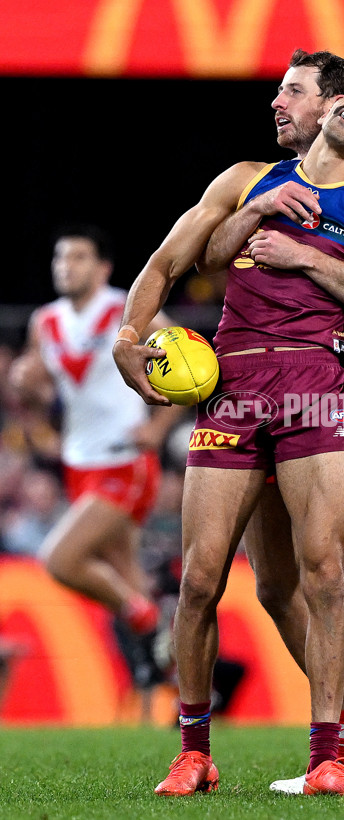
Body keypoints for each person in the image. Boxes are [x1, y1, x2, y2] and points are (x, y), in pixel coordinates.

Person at [113, 79, 344, 795]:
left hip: (317, 396)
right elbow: (179, 260)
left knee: (322, 578)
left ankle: (335, 752)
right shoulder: (249, 181)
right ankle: (193, 752)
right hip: (230, 393)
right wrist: (128, 336)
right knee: (200, 580)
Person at [201, 49, 344, 792]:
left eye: (293, 92)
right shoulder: (265, 183)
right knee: (272, 586)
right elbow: (199, 256)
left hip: (337, 383)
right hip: (257, 380)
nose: (280, 104)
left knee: (326, 575)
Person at [9, 226, 179, 673]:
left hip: (125, 459)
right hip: (79, 461)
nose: (66, 266)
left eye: (78, 258)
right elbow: (42, 390)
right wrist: (28, 399)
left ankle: (147, 620)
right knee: (127, 574)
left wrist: (159, 427)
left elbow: (185, 362)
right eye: (60, 258)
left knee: (60, 560)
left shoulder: (125, 309)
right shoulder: (44, 321)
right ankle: (181, 684)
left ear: (102, 267)